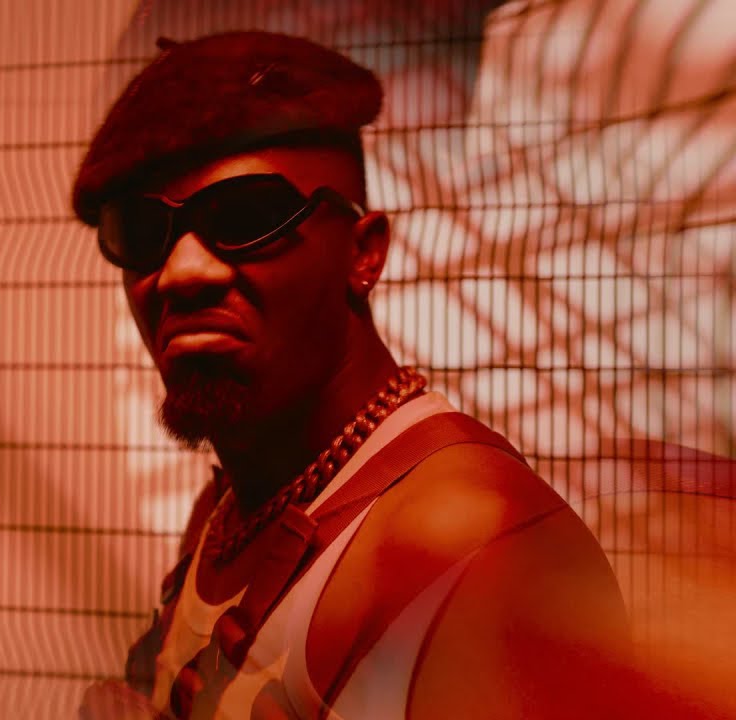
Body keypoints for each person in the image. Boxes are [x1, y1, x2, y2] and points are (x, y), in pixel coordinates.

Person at [70, 31, 630, 719]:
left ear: (364, 253)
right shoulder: (230, 512)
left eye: (246, 216)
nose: (182, 273)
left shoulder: (481, 549)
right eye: (138, 231)